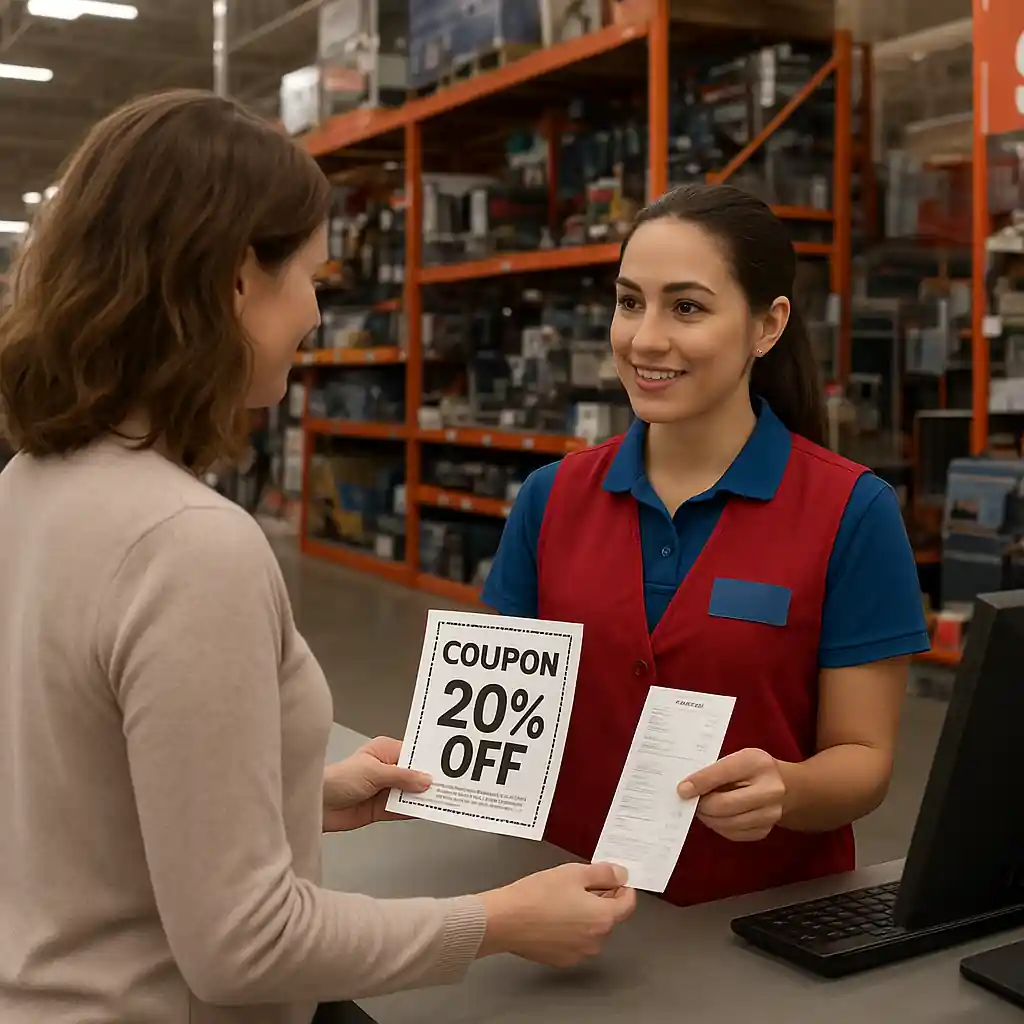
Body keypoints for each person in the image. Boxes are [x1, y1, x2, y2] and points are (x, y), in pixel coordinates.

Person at [0, 90, 635, 1024]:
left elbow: (75, 775)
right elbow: (245, 948)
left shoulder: (27, 485)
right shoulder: (188, 545)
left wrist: (303, 791)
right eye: (312, 278)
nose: (316, 314)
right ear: (232, 284)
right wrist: (494, 920)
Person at [483, 184, 931, 908]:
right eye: (631, 302)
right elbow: (501, 716)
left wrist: (789, 789)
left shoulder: (850, 512)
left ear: (767, 324)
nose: (645, 338)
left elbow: (865, 759)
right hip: (565, 912)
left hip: (760, 923)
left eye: (685, 307)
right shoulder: (550, 498)